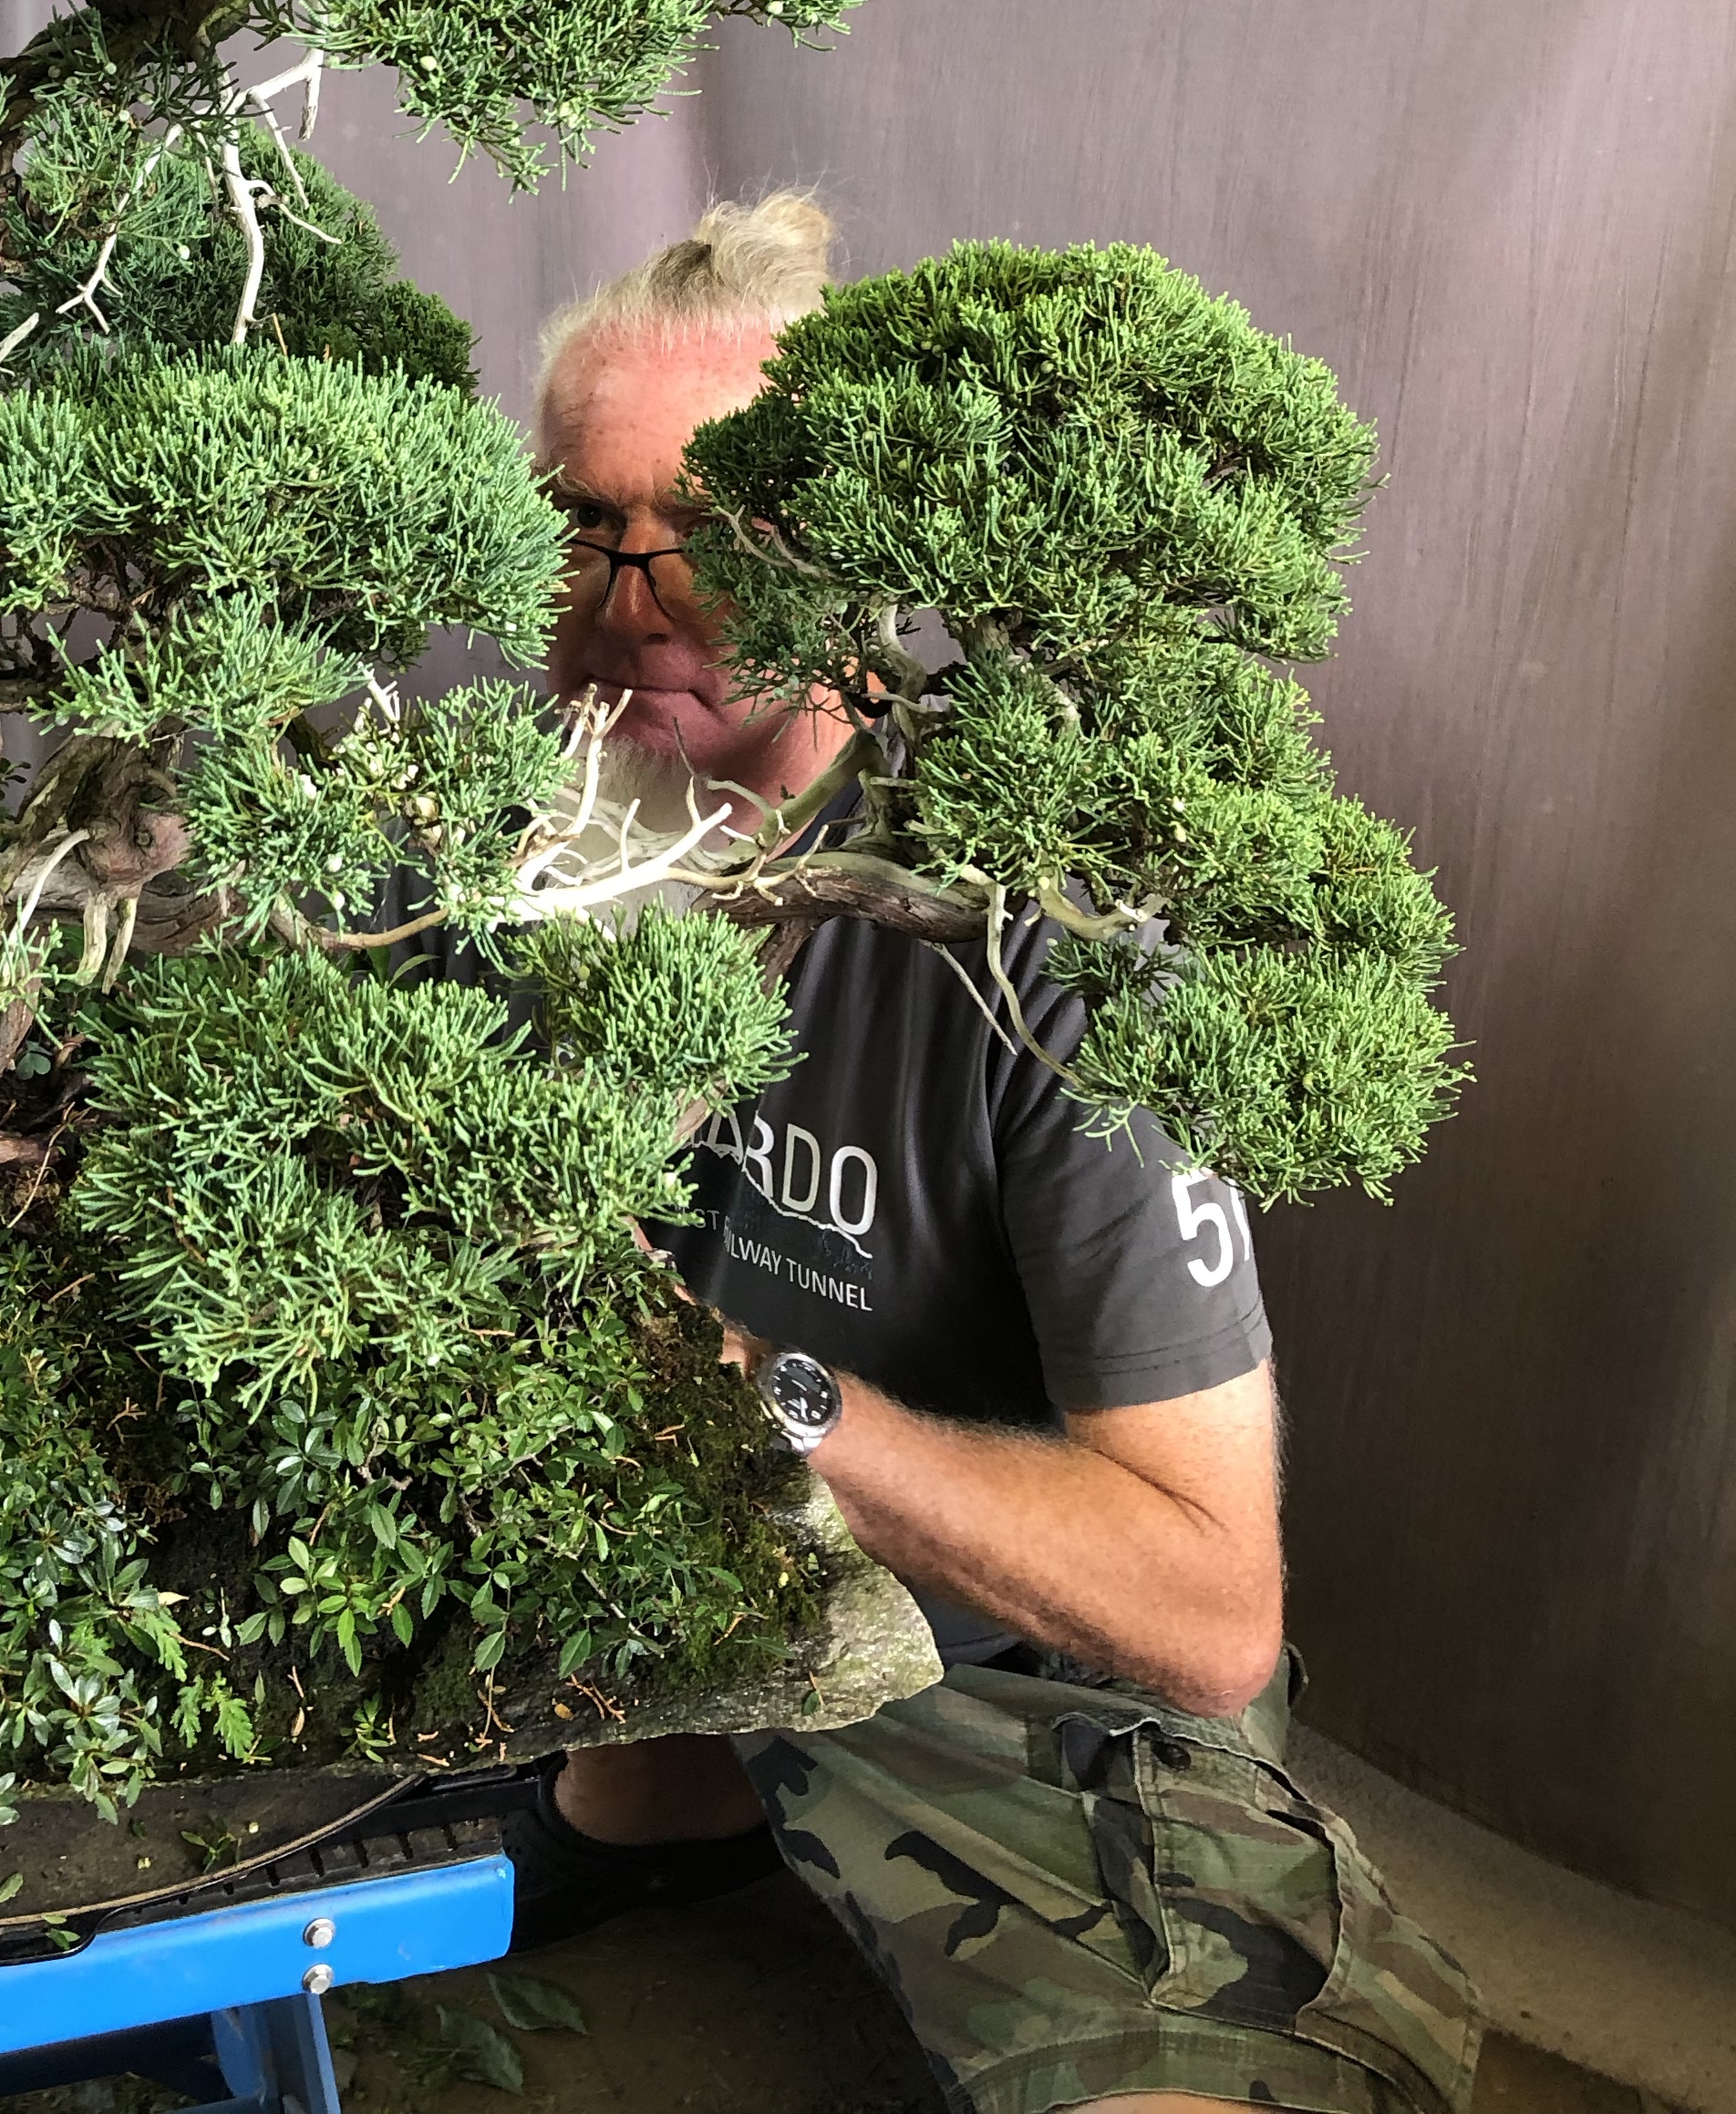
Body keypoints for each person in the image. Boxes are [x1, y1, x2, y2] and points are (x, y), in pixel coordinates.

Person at [513, 191, 1479, 2114]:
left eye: (707, 532)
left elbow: (1210, 1614)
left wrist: (762, 1396)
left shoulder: (1052, 940)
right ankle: (670, 1789)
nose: (630, 597)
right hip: (690, 1612)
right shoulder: (524, 846)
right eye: (581, 522)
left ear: (861, 556)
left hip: (1005, 1679)